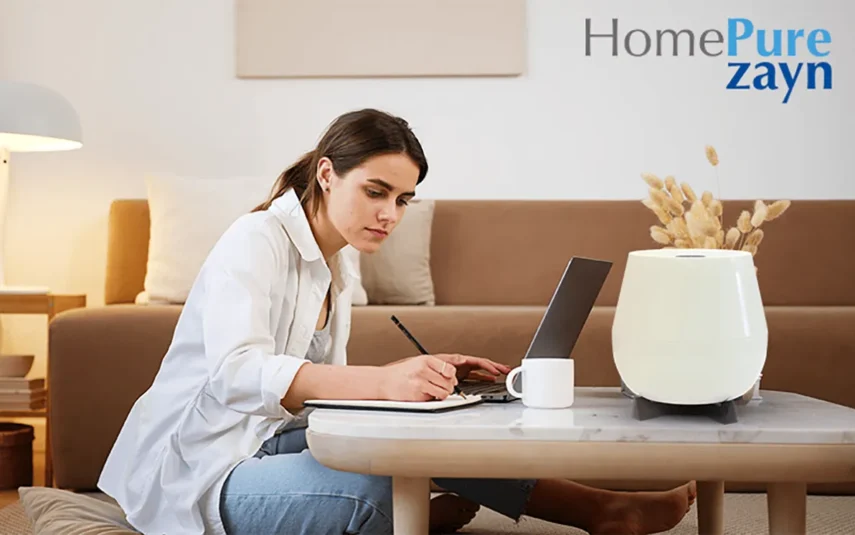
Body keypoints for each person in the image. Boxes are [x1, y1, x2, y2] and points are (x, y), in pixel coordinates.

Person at [98, 108, 696, 535]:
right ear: (327, 174)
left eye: (402, 200)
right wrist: (384, 382)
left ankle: (600, 509)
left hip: (264, 438)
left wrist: (415, 380)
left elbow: (316, 392)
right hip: (200, 468)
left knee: (431, 432)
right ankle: (413, 518)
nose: (390, 214)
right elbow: (237, 374)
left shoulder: (337, 260)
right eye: (376, 192)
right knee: (379, 486)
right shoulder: (256, 239)